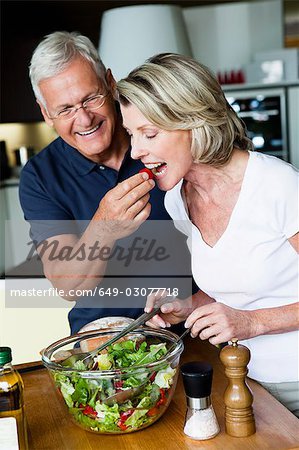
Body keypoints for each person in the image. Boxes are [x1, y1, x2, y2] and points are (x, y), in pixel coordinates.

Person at [117, 53, 299, 416]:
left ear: (194, 122)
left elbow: (247, 312)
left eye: (149, 133)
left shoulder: (278, 185)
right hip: (242, 380)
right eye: (131, 134)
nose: (136, 151)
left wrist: (252, 322)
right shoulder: (177, 201)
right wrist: (187, 306)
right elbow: (230, 289)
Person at [19, 33, 194, 334]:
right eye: (65, 109)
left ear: (110, 83)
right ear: (46, 113)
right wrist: (103, 228)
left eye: (91, 98)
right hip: (103, 340)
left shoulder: (161, 134)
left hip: (191, 324)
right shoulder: (40, 176)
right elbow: (67, 284)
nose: (84, 119)